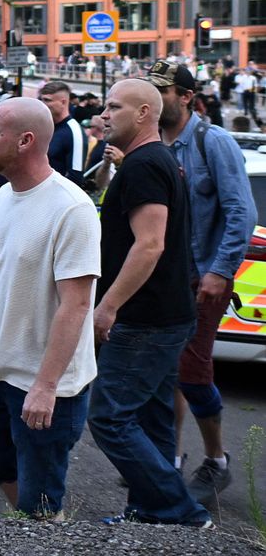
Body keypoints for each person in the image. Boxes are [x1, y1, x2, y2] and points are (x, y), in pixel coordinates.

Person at [0, 97, 99, 519]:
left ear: (25, 141)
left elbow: (77, 304)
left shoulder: (72, 209)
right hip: (2, 370)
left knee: (43, 501)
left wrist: (46, 386)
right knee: (0, 472)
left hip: (51, 385)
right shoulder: (2, 199)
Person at [86, 79, 213, 528]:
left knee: (108, 418)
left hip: (146, 321)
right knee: (152, 418)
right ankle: (151, 511)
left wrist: (108, 307)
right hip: (163, 315)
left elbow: (150, 245)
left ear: (143, 114)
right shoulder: (152, 160)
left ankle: (178, 510)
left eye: (114, 106)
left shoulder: (144, 165)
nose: (104, 113)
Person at [146, 60, 256, 506]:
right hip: (165, 278)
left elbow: (241, 213)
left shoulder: (214, 142)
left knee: (191, 372)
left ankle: (217, 461)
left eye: (163, 92)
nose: (155, 100)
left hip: (203, 276)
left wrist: (220, 270)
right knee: (164, 372)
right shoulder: (152, 144)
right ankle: (167, 457)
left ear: (186, 97)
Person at [38, 81, 87, 186]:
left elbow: (75, 177)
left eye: (47, 100)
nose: (43, 104)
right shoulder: (45, 126)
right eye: (41, 100)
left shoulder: (74, 131)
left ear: (63, 102)